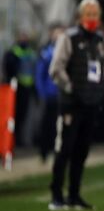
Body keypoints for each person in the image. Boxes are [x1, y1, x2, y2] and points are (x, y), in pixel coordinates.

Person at [48, 0, 104, 211]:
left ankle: (74, 195)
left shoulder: (100, 39)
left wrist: (100, 89)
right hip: (71, 104)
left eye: (95, 14)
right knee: (64, 148)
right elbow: (56, 68)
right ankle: (56, 195)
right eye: (88, 14)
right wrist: (71, 88)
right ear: (80, 16)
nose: (92, 18)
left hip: (91, 103)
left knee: (82, 150)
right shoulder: (69, 37)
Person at [2, 29, 38, 147]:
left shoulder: (31, 54)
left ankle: (18, 140)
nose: (24, 39)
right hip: (14, 90)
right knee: (12, 115)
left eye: (25, 37)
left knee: (22, 117)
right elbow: (8, 70)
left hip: (26, 90)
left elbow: (34, 72)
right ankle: (10, 141)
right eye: (22, 37)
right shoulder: (12, 53)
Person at [35, 24, 64, 162]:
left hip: (62, 93)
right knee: (47, 123)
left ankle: (56, 150)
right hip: (49, 94)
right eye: (56, 34)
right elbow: (39, 74)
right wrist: (42, 92)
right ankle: (43, 151)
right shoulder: (46, 52)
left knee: (59, 124)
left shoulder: (66, 51)